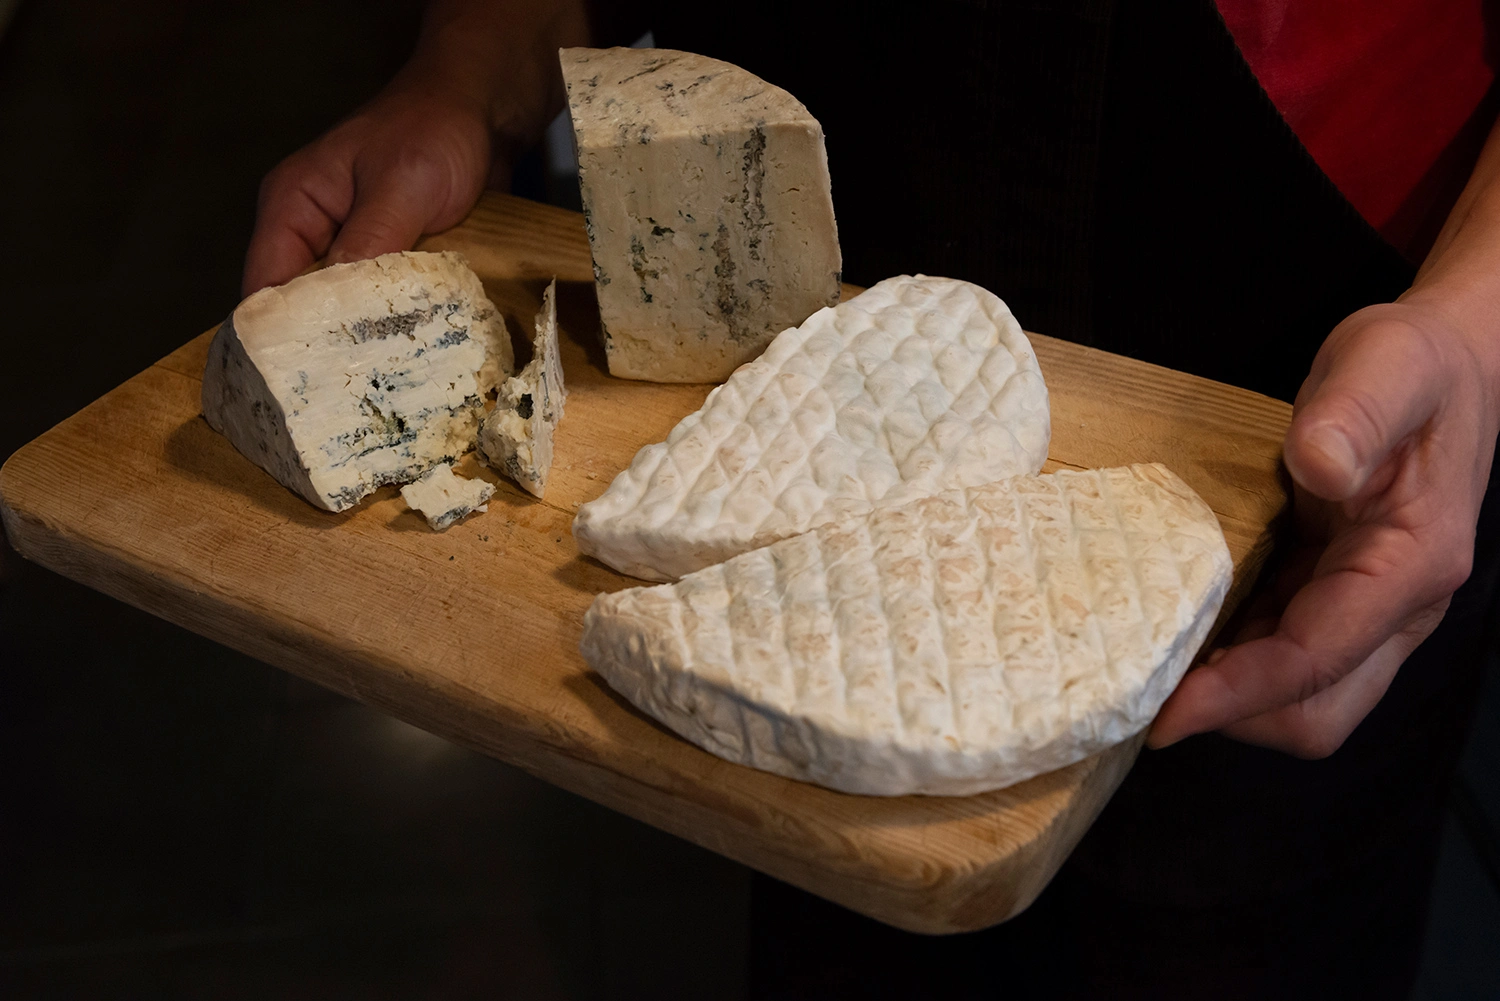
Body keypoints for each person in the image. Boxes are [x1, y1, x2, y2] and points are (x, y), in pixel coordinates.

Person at [243, 0, 1500, 995]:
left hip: (1311, 273)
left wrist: (1478, 324)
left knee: (1239, 925)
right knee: (844, 924)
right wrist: (469, 64)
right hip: (836, 173)